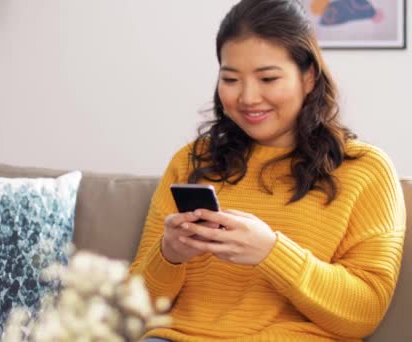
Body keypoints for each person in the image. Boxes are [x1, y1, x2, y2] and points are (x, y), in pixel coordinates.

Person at [129, 0, 406, 341]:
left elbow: (363, 313)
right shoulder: (191, 161)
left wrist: (271, 253)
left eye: (268, 78)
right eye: (230, 79)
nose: (247, 97)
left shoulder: (365, 170)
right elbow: (132, 310)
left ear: (309, 77)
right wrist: (169, 255)